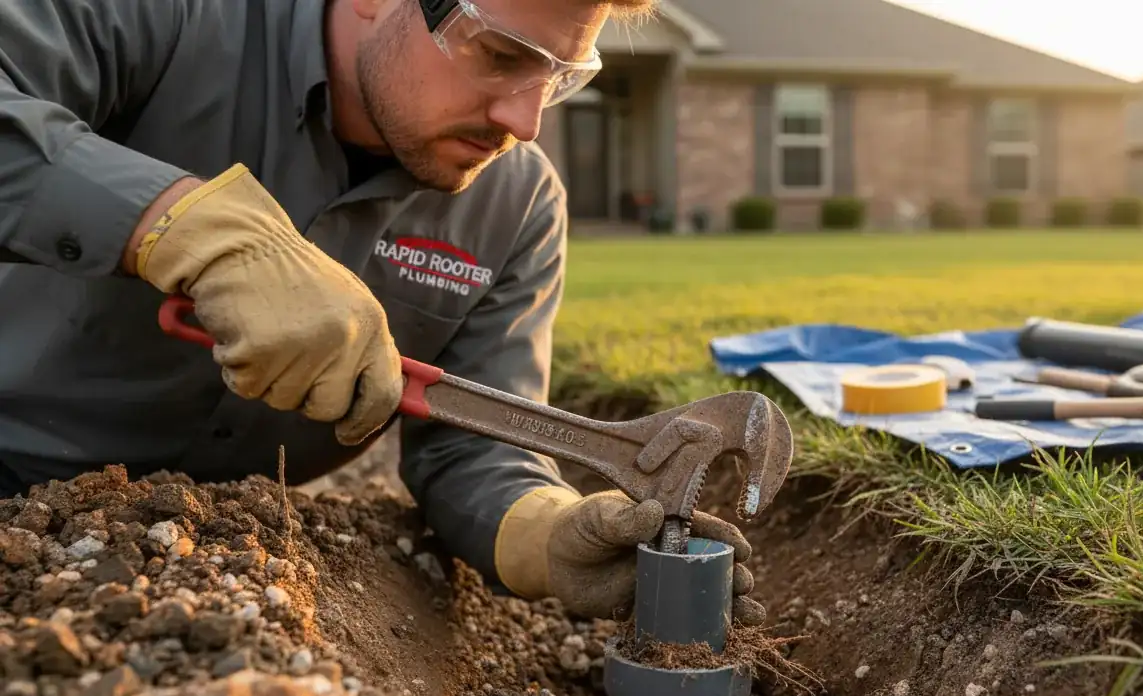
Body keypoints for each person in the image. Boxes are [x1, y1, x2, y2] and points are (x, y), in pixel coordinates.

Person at [0, 0, 765, 626]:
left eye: (559, 77)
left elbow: (473, 446)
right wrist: (184, 224)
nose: (525, 120)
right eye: (500, 54)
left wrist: (546, 534)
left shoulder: (519, 203)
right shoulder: (166, 19)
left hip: (235, 559)